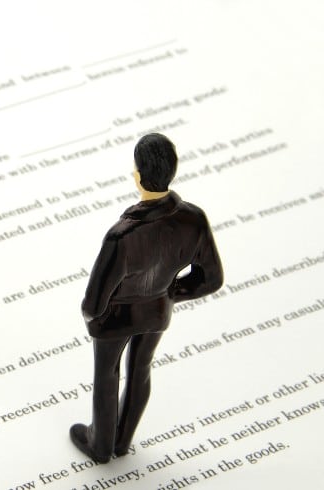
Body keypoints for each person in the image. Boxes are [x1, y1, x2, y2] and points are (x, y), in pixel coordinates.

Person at [70, 133, 223, 463]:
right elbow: (211, 279)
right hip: (156, 311)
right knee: (140, 369)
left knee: (106, 375)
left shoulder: (122, 235)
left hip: (115, 318)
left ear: (138, 176)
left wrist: (92, 316)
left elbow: (93, 302)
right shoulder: (193, 219)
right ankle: (122, 441)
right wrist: (170, 292)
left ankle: (101, 445)